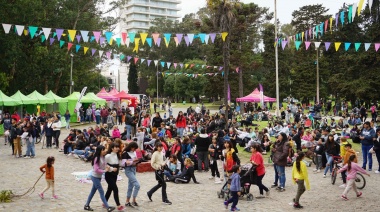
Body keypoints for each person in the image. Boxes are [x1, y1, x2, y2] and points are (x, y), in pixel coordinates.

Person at [84, 145, 115, 212]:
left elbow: (106, 166)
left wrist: (111, 169)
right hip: (95, 177)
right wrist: (104, 171)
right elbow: (96, 169)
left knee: (92, 192)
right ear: (100, 151)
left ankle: (86, 205)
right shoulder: (96, 158)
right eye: (103, 150)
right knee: (101, 191)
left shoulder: (103, 158)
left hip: (99, 177)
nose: (104, 151)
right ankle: (107, 207)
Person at [104, 143, 124, 211]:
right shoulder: (108, 156)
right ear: (112, 148)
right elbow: (104, 165)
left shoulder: (118, 155)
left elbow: (120, 164)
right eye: (116, 147)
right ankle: (118, 205)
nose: (117, 148)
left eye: (118, 147)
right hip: (109, 175)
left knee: (110, 189)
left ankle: (104, 202)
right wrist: (112, 168)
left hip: (115, 175)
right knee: (115, 189)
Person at [121, 141, 141, 208]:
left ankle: (127, 201)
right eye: (134, 148)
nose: (135, 150)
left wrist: (136, 161)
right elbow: (123, 163)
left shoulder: (133, 152)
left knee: (130, 186)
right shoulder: (125, 153)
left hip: (133, 169)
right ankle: (134, 200)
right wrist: (132, 161)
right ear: (131, 147)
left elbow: (133, 161)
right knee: (137, 185)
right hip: (128, 170)